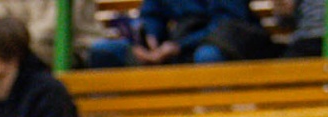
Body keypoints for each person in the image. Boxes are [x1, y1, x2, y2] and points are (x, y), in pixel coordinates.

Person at [88, 0, 254, 67]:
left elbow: (226, 23)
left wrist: (180, 46)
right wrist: (150, 39)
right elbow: (151, 13)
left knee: (208, 56)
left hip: (214, 43)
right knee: (104, 51)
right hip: (169, 48)